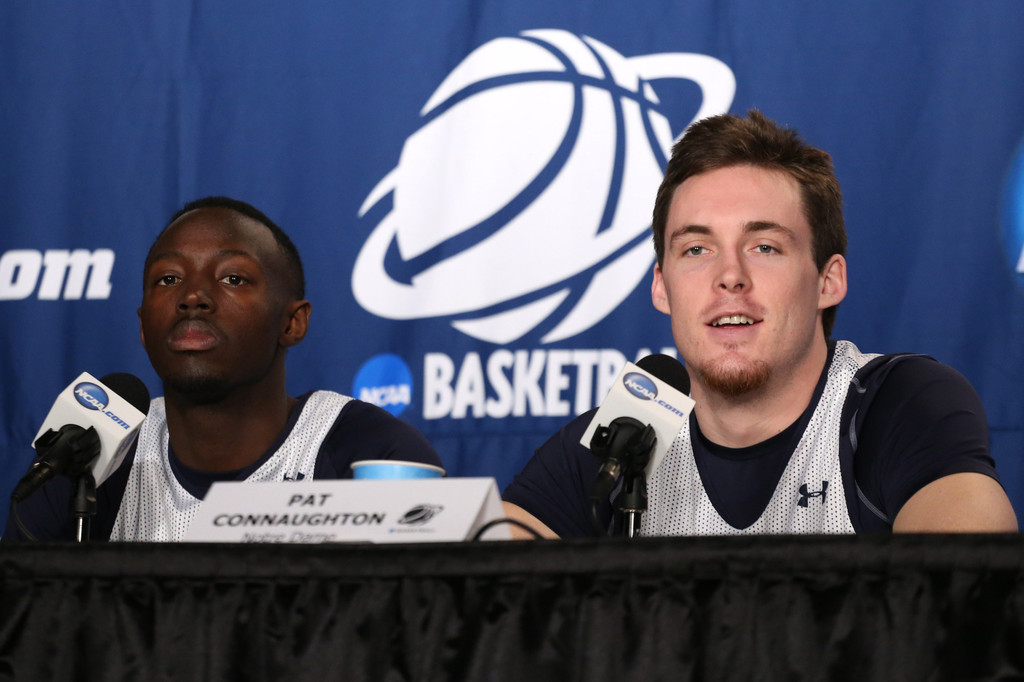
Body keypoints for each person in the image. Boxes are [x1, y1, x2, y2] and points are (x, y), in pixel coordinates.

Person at [503, 111, 1018, 538]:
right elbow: (471, 608)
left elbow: (970, 601)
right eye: (697, 249)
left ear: (827, 281)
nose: (730, 276)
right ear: (662, 286)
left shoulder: (897, 404)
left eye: (765, 247)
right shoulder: (622, 443)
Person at [4, 196, 443, 542]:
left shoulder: (369, 452)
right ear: (142, 326)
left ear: (292, 322)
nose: (192, 296)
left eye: (232, 278)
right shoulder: (90, 455)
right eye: (168, 279)